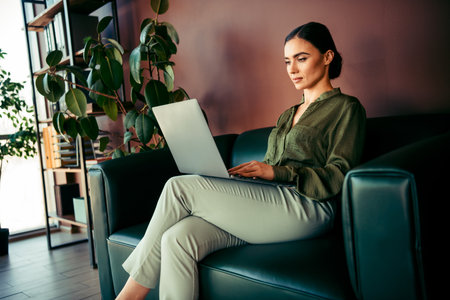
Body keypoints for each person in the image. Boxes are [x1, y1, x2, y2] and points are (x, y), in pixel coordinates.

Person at [116, 21, 366, 300]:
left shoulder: (347, 108)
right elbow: (272, 167)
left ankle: (130, 295)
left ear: (328, 57)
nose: (292, 69)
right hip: (271, 202)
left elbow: (340, 173)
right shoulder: (288, 115)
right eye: (287, 61)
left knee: (178, 187)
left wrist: (277, 173)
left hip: (309, 206)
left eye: (302, 59)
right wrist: (246, 177)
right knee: (178, 238)